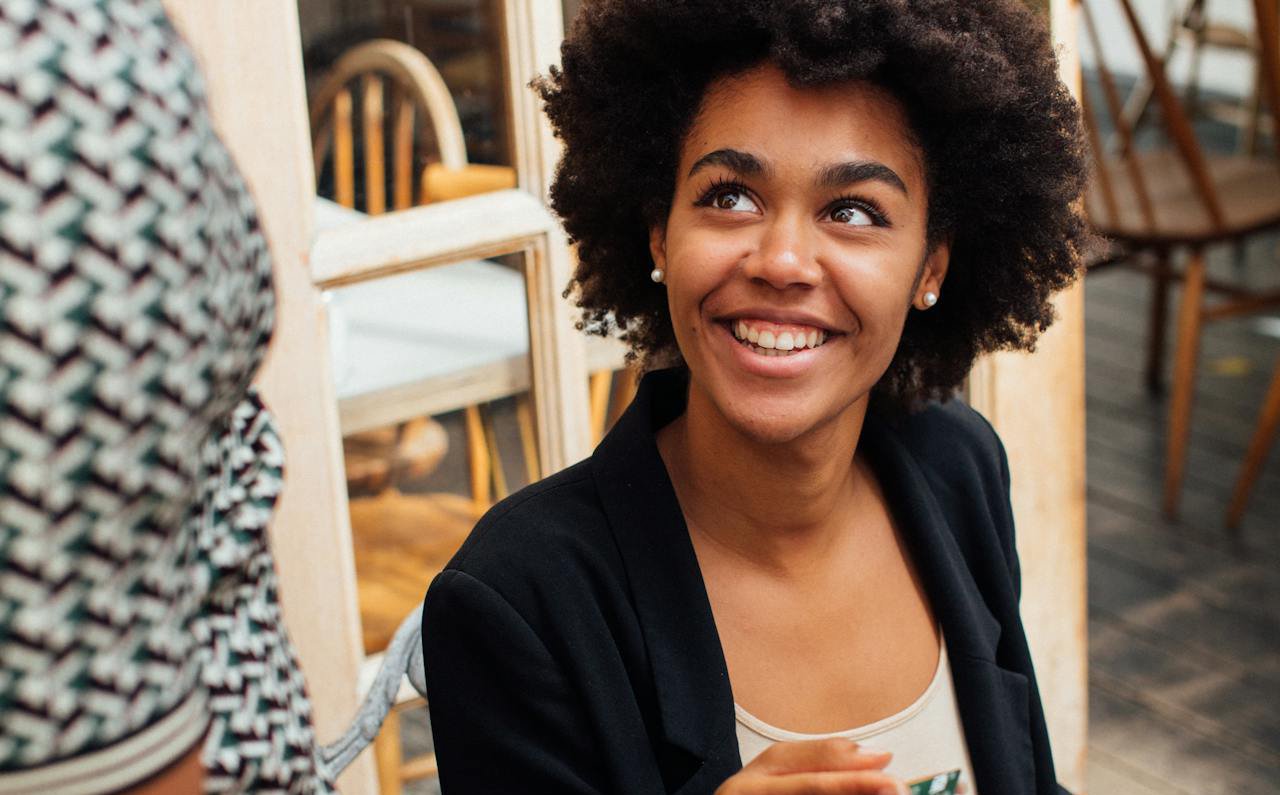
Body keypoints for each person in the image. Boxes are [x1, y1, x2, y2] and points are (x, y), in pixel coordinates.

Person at [422, 1, 1090, 793]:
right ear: (659, 233)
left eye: (853, 211)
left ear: (932, 267)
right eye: (730, 195)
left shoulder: (959, 468)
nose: (782, 260)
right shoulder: (521, 599)